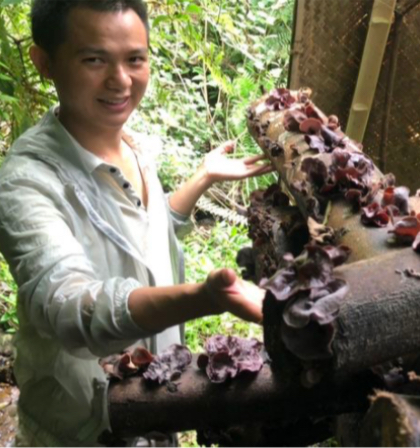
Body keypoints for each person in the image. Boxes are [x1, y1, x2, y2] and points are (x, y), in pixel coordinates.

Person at [0, 0, 275, 445]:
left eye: (135, 59)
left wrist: (202, 177)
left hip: (155, 407)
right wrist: (206, 298)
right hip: (82, 428)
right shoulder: (26, 182)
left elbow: (147, 235)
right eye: (94, 59)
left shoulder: (133, 145)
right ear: (44, 62)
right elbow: (71, 307)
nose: (120, 80)